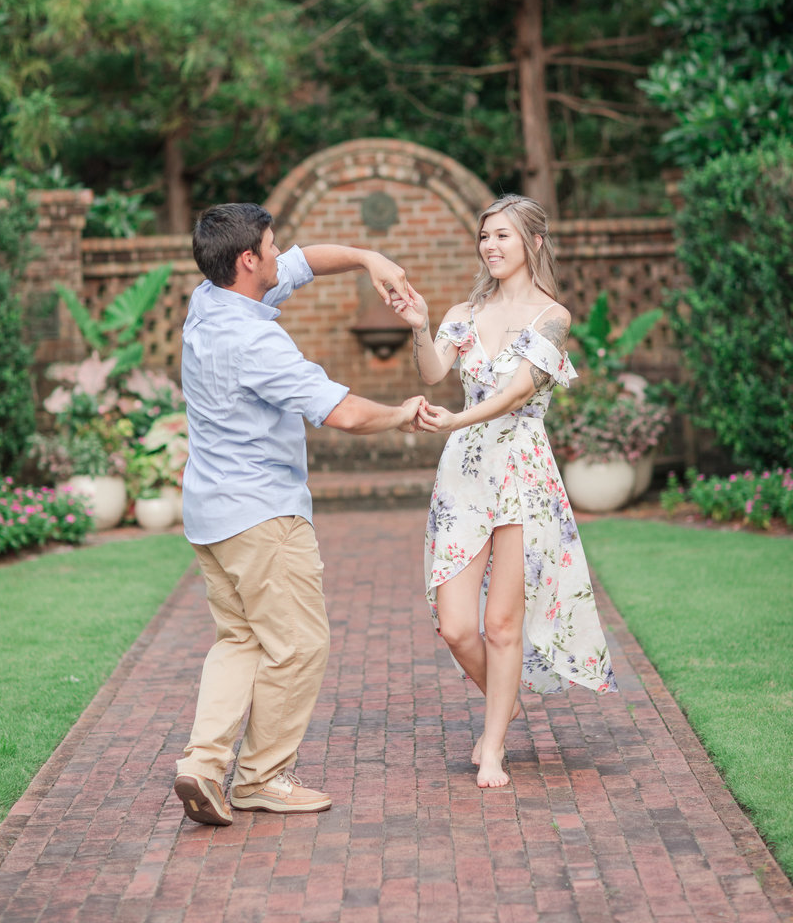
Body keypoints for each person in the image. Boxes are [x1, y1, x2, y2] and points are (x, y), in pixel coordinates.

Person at [173, 202, 424, 826]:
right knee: (299, 646)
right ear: (248, 259)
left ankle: (202, 765)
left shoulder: (209, 300)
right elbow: (343, 413)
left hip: (210, 513)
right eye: (271, 245)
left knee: (241, 640)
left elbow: (306, 261)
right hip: (262, 517)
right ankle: (261, 778)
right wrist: (402, 413)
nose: (280, 253)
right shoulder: (254, 341)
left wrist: (367, 258)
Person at [393, 194, 617, 790]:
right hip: (464, 475)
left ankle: (492, 747)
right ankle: (504, 698)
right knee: (455, 626)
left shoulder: (553, 317)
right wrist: (419, 327)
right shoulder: (463, 312)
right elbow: (433, 371)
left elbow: (517, 392)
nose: (490, 246)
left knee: (501, 623)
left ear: (533, 242)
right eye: (485, 235)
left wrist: (455, 420)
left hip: (521, 470)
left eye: (503, 235)